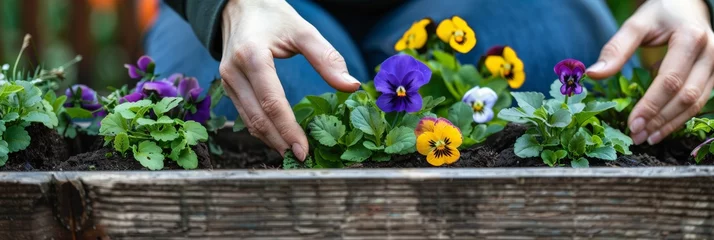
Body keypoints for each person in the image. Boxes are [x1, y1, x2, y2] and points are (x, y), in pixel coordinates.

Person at [149, 0, 714, 161]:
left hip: (482, 5)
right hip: (265, 8)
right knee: (267, 120)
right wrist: (223, 6)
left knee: (561, 57)